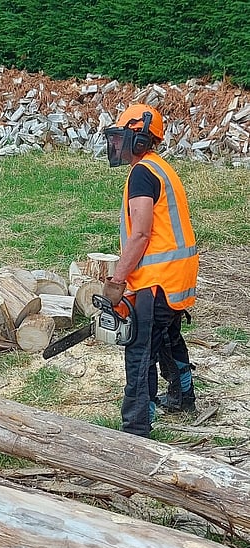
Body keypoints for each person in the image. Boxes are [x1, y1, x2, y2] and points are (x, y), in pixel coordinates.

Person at [102, 104, 199, 438]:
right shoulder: (161, 168)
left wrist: (117, 280)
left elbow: (141, 233)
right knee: (168, 338)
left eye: (122, 137)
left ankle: (136, 427)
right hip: (176, 275)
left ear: (140, 139)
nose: (117, 144)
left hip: (158, 279)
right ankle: (183, 395)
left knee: (140, 351)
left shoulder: (142, 173)